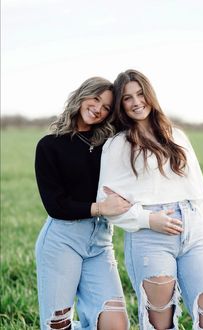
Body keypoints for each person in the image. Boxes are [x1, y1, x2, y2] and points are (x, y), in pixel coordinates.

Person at [97, 69, 203, 330]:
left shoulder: (176, 135)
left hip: (196, 233)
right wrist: (148, 219)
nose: (136, 102)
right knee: (160, 321)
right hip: (150, 236)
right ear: (120, 105)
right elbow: (106, 202)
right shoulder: (117, 145)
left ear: (150, 95)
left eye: (140, 94)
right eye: (127, 98)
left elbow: (199, 189)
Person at [34, 77, 131, 330]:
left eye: (107, 107)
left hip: (100, 242)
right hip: (61, 242)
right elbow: (55, 205)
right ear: (81, 95)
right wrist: (100, 208)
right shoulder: (49, 146)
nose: (99, 108)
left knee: (116, 324)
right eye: (95, 98)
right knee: (58, 325)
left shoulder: (109, 145)